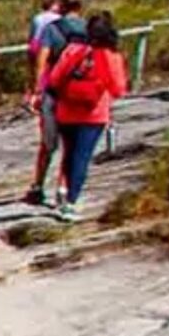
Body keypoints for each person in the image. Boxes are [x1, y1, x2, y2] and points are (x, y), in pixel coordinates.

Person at [47, 13, 128, 222]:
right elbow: (119, 90)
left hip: (66, 112)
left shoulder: (73, 51)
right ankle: (70, 203)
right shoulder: (111, 57)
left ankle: (62, 191)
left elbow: (54, 80)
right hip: (94, 114)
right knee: (82, 158)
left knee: (70, 154)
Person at [25, 0, 87, 207]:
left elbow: (42, 60)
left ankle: (38, 185)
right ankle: (62, 189)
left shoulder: (52, 29)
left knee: (48, 144)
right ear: (81, 6)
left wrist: (36, 91)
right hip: (78, 94)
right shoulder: (91, 30)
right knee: (71, 144)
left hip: (54, 92)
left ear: (62, 4)